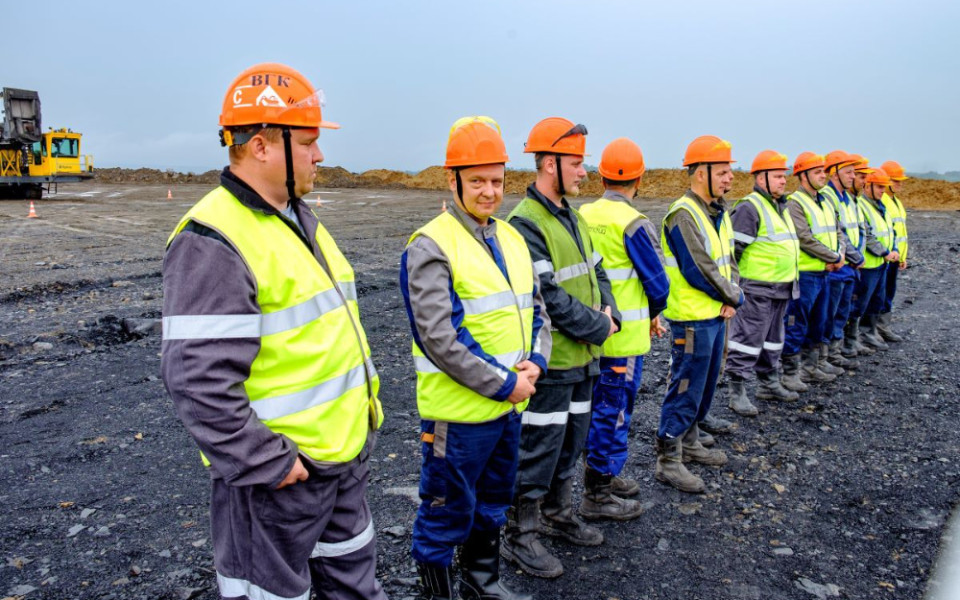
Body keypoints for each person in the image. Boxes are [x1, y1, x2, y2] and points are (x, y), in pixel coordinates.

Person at [160, 63, 386, 600]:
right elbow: (196, 381)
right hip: (280, 480)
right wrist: (271, 463)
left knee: (354, 585)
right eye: (308, 142)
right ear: (261, 146)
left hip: (340, 461)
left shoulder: (296, 217)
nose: (320, 155)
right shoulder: (212, 240)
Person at [401, 116, 549, 600]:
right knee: (446, 511)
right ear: (453, 180)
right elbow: (441, 338)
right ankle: (439, 592)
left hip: (507, 409)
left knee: (492, 503)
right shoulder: (431, 245)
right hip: (460, 417)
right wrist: (509, 383)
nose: (489, 192)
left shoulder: (511, 237)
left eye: (497, 181)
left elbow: (536, 311)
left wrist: (536, 362)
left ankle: (481, 580)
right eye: (478, 181)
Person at [502, 117, 619, 578]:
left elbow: (598, 272)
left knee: (572, 441)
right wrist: (599, 326)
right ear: (549, 163)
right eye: (576, 162)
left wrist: (609, 314)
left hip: (585, 359)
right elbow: (547, 296)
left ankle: (558, 513)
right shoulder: (525, 224)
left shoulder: (575, 217)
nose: (584, 171)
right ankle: (521, 535)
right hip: (553, 363)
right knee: (539, 447)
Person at [579, 137, 669, 519]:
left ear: (601, 179)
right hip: (624, 339)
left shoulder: (582, 215)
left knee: (594, 409)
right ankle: (597, 492)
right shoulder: (634, 223)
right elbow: (658, 282)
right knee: (614, 413)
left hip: (589, 335)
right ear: (639, 180)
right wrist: (656, 311)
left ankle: (602, 472)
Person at [656, 135, 742, 494]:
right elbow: (699, 268)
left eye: (728, 172)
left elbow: (729, 261)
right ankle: (669, 460)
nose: (729, 179)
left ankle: (691, 440)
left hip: (716, 313)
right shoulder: (683, 215)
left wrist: (731, 296)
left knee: (706, 384)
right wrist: (732, 294)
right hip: (692, 318)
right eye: (721, 172)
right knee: (686, 385)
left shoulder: (717, 213)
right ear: (699, 173)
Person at [724, 150, 800, 417]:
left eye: (784, 176)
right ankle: (737, 390)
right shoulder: (749, 207)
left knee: (773, 340)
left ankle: (768, 382)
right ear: (760, 177)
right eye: (778, 176)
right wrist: (734, 289)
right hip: (757, 289)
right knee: (747, 339)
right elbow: (734, 252)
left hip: (781, 288)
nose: (783, 181)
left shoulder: (781, 207)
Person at [782, 152, 845, 389]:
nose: (823, 175)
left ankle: (811, 366)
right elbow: (804, 238)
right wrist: (834, 257)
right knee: (797, 323)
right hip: (806, 275)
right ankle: (790, 373)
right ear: (803, 175)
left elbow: (837, 231)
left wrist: (840, 255)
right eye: (817, 171)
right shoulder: (795, 203)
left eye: (824, 171)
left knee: (820, 321)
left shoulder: (825, 201)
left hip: (825, 272)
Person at [819, 151, 866, 370]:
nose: (852, 177)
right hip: (837, 267)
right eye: (848, 172)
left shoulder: (848, 199)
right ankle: (824, 355)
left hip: (848, 267)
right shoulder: (828, 197)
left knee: (842, 311)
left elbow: (855, 230)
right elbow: (840, 233)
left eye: (853, 173)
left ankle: (834, 352)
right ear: (835, 173)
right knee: (828, 313)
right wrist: (855, 256)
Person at [850, 167, 900, 350]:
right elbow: (868, 236)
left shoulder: (881, 206)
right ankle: (856, 338)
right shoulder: (862, 206)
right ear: (868, 186)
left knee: (877, 300)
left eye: (883, 187)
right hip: (868, 265)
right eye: (879, 187)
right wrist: (886, 253)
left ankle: (869, 333)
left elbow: (890, 231)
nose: (882, 191)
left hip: (880, 265)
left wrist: (893, 249)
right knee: (860, 303)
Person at [877, 160, 910, 342]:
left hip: (895, 256)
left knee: (889, 293)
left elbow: (900, 232)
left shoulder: (895, 201)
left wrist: (902, 256)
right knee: (879, 294)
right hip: (884, 257)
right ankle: (875, 329)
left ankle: (883, 326)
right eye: (896, 181)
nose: (900, 184)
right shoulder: (881, 201)